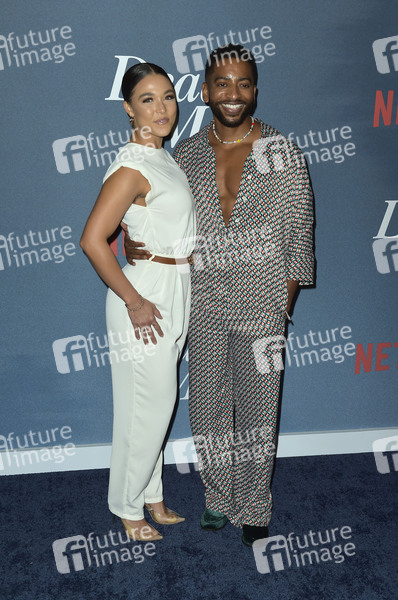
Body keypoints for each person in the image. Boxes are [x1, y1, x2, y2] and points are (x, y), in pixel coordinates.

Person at [125, 45, 315, 546]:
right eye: (223, 84)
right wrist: (131, 235)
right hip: (202, 300)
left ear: (255, 91)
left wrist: (282, 304)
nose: (234, 93)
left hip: (263, 304)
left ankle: (254, 506)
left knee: (258, 411)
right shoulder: (186, 154)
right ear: (206, 91)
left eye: (244, 83)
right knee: (208, 408)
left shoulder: (281, 150)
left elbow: (300, 233)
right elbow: (160, 212)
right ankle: (218, 497)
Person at [80, 62, 196, 541]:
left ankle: (153, 497)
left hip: (176, 287)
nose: (162, 108)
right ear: (129, 109)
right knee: (147, 407)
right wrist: (134, 301)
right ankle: (128, 508)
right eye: (148, 99)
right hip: (146, 294)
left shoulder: (164, 158)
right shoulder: (131, 165)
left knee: (153, 407)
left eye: (168, 96)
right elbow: (92, 240)